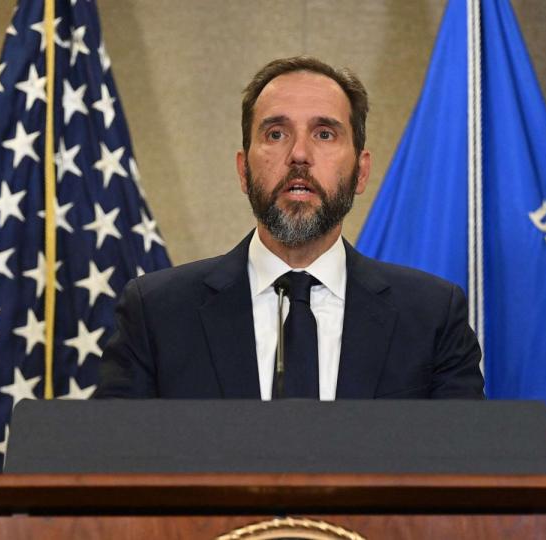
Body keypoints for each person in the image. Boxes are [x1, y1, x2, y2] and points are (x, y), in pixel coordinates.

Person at [97, 56, 484, 400]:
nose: (299, 154)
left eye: (324, 134)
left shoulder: (432, 315)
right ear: (243, 170)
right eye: (276, 134)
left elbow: (468, 467)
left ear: (361, 171)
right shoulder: (157, 314)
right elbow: (110, 462)